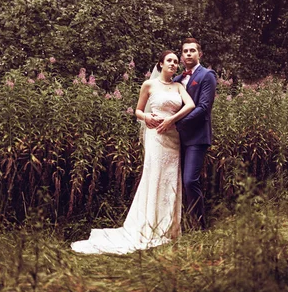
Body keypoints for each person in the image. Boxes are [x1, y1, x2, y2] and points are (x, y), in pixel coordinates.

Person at [71, 50, 195, 254]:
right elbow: (138, 110)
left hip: (173, 136)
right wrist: (147, 118)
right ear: (160, 64)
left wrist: (172, 120)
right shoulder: (149, 85)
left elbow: (190, 105)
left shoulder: (179, 86)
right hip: (155, 135)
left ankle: (168, 228)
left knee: (171, 178)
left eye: (175, 61)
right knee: (154, 176)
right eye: (169, 61)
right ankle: (148, 225)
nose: (173, 64)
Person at [173, 38, 217, 230]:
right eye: (185, 51)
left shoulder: (207, 75)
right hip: (174, 139)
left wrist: (177, 123)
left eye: (192, 50)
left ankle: (199, 225)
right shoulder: (176, 79)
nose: (188, 54)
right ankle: (178, 223)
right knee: (177, 181)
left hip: (197, 138)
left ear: (200, 54)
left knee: (190, 180)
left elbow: (204, 108)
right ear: (182, 56)